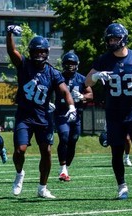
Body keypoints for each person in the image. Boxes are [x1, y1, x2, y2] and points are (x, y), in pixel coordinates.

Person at [85, 23, 132, 200]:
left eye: (115, 38)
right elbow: (88, 81)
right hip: (114, 112)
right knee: (116, 151)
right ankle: (122, 186)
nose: (112, 42)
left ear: (123, 39)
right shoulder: (103, 60)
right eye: (109, 39)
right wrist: (96, 76)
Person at [6, 25, 77, 199]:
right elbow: (12, 51)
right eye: (36, 51)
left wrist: (72, 106)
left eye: (42, 51)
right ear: (31, 52)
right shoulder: (24, 65)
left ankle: (42, 187)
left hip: (44, 118)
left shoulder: (52, 72)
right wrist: (9, 34)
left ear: (47, 52)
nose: (39, 54)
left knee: (46, 152)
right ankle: (19, 173)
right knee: (19, 150)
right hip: (24, 116)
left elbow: (65, 91)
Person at [53, 52, 93, 181]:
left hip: (76, 115)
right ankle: (63, 168)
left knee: (73, 140)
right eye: (68, 63)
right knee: (64, 137)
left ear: (77, 65)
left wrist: (82, 97)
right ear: (64, 64)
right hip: (61, 113)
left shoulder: (82, 79)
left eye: (73, 63)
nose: (70, 66)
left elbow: (90, 95)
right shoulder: (58, 77)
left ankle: (66, 166)